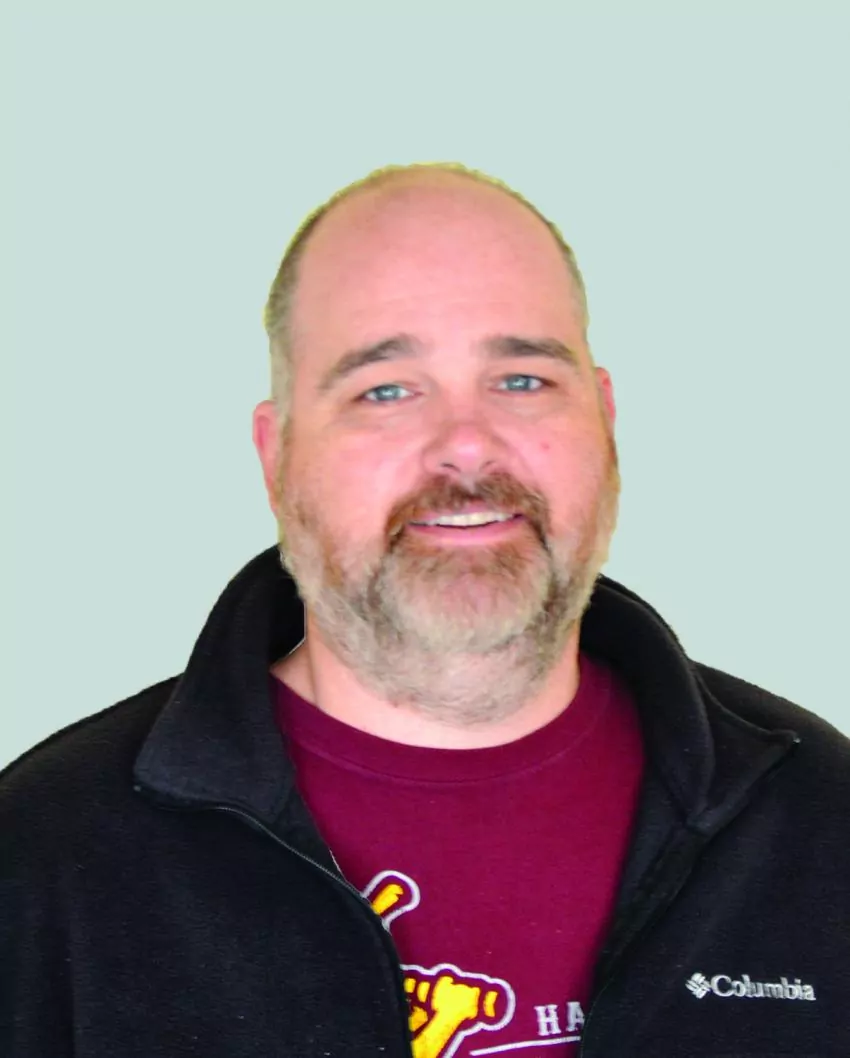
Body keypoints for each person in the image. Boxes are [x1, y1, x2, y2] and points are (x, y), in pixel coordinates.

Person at [2, 162, 848, 1058]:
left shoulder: (818, 821)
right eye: (386, 390)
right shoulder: (45, 856)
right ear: (277, 455)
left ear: (604, 423)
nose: (468, 446)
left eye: (522, 379)